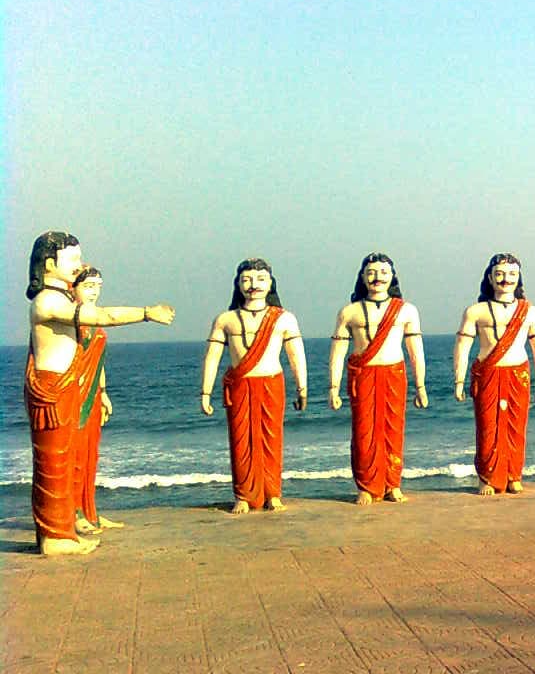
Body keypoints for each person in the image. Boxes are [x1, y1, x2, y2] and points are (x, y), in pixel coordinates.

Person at [24, 231, 174, 555]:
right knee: (54, 464)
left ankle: (62, 532)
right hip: (53, 390)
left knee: (65, 462)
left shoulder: (62, 297)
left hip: (66, 389)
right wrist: (148, 312)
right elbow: (103, 316)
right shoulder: (48, 301)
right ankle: (53, 538)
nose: (79, 265)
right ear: (50, 264)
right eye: (73, 259)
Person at [199, 258, 307, 513]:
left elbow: (296, 354)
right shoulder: (226, 319)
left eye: (260, 279)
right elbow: (212, 356)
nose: (253, 285)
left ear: (271, 283)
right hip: (239, 385)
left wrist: (302, 387)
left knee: (271, 438)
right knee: (241, 440)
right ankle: (244, 494)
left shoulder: (284, 318)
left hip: (271, 384)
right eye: (246, 279)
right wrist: (205, 393)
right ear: (237, 284)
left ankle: (273, 492)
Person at [329, 253, 427, 505]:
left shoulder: (406, 310)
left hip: (393, 373)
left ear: (392, 276)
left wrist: (421, 385)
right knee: (364, 431)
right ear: (362, 277)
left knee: (393, 430)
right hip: (362, 374)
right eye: (371, 272)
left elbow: (415, 350)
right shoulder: (349, 312)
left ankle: (392, 484)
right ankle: (366, 485)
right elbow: (338, 352)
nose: (377, 277)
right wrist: (333, 387)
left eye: (384, 272)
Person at [453, 254, 535, 496]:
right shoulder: (476, 311)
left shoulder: (531, 312)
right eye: (500, 274)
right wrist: (459, 380)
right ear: (490, 278)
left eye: (512, 274)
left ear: (519, 278)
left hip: (518, 374)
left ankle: (513, 475)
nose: (506, 280)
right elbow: (463, 346)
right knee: (488, 427)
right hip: (488, 373)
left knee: (516, 428)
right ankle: (487, 477)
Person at [71, 267, 123, 533]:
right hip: (74, 395)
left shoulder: (96, 320)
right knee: (76, 455)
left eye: (98, 285)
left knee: (91, 454)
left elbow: (98, 360)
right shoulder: (69, 319)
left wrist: (104, 393)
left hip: (93, 393)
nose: (94, 290)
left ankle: (90, 511)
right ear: (74, 287)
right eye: (88, 285)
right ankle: (73, 513)